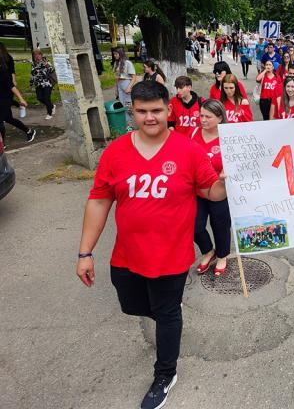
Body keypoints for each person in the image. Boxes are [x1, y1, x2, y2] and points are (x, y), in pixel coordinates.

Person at [76, 80, 227, 409]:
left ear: (168, 110)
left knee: (167, 314)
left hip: (171, 258)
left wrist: (228, 182)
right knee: (132, 305)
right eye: (142, 111)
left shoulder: (189, 151)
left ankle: (165, 373)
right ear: (133, 111)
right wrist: (85, 252)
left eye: (156, 110)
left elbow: (210, 192)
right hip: (127, 256)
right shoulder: (116, 152)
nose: (150, 117)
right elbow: (100, 200)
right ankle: (168, 311)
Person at [191, 99, 232, 277]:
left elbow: (235, 163)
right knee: (194, 226)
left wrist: (226, 173)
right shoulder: (193, 133)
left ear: (220, 118)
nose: (203, 119)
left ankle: (222, 255)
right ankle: (208, 251)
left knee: (220, 225)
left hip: (219, 190)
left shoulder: (228, 138)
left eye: (208, 116)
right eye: (201, 115)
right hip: (196, 190)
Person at [0, 42, 36, 142]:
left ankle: (2, 145)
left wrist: (21, 99)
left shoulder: (3, 69)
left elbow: (11, 85)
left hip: (5, 96)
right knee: (8, 118)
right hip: (2, 96)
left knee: (1, 121)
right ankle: (29, 131)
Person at [114, 47, 137, 130]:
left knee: (129, 107)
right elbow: (116, 78)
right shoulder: (116, 63)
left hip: (127, 85)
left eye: (116, 54)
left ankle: (141, 118)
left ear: (121, 54)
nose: (115, 55)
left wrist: (129, 87)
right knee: (123, 106)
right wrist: (116, 89)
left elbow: (134, 77)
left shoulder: (128, 63)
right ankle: (129, 125)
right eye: (114, 54)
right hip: (120, 86)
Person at [30, 49, 57, 120]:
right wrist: (31, 82)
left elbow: (52, 70)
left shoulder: (46, 61)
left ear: (41, 55)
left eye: (38, 54)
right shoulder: (33, 63)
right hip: (38, 83)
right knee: (39, 98)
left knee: (46, 98)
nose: (37, 56)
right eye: (35, 55)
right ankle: (52, 106)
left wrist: (47, 66)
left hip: (47, 83)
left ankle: (49, 113)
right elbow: (32, 73)